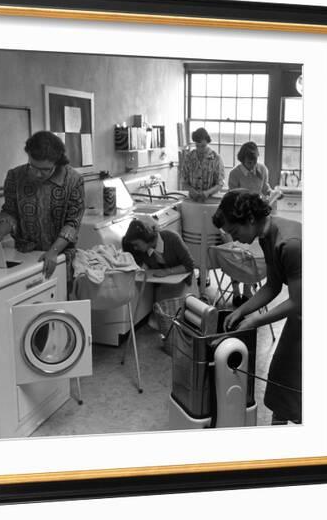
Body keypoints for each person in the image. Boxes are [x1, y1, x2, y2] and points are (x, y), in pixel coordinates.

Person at [212, 190, 302, 425]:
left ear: (250, 219)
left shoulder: (290, 243)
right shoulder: (264, 236)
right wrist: (242, 310)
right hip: (302, 311)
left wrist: (255, 321)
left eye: (235, 231)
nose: (235, 238)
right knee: (282, 376)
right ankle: (278, 431)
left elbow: (298, 300)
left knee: (300, 378)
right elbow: (272, 287)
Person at [0, 130, 85, 280]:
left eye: (45, 169)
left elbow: (73, 223)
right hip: (24, 255)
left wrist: (54, 250)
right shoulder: (15, 176)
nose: (38, 174)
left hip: (59, 256)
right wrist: (1, 231)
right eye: (33, 167)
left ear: (57, 162)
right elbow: (10, 211)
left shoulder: (73, 180)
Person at [227, 141, 273, 306]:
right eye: (249, 162)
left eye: (254, 161)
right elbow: (231, 197)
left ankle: (248, 289)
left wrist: (271, 193)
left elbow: (265, 187)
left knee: (252, 254)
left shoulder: (262, 169)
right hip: (240, 219)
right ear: (242, 160)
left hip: (256, 219)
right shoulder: (234, 174)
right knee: (237, 255)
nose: (252, 165)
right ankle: (235, 291)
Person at [122, 219, 198, 302]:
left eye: (136, 244)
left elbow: (189, 265)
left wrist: (167, 271)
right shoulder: (145, 250)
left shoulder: (172, 238)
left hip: (184, 283)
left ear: (145, 237)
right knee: (161, 310)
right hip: (164, 287)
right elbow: (146, 265)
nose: (135, 248)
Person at [181, 127, 225, 202]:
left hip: (211, 200)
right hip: (193, 200)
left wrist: (207, 193)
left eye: (203, 146)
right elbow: (184, 181)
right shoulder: (189, 158)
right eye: (197, 146)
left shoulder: (216, 158)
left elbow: (220, 184)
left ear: (207, 142)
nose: (200, 149)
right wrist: (191, 190)